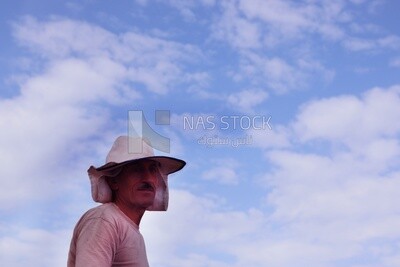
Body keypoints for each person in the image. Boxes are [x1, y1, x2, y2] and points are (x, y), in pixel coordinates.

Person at [67, 136, 186, 267]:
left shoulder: (132, 232)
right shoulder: (105, 220)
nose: (148, 178)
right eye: (136, 169)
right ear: (113, 181)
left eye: (152, 170)